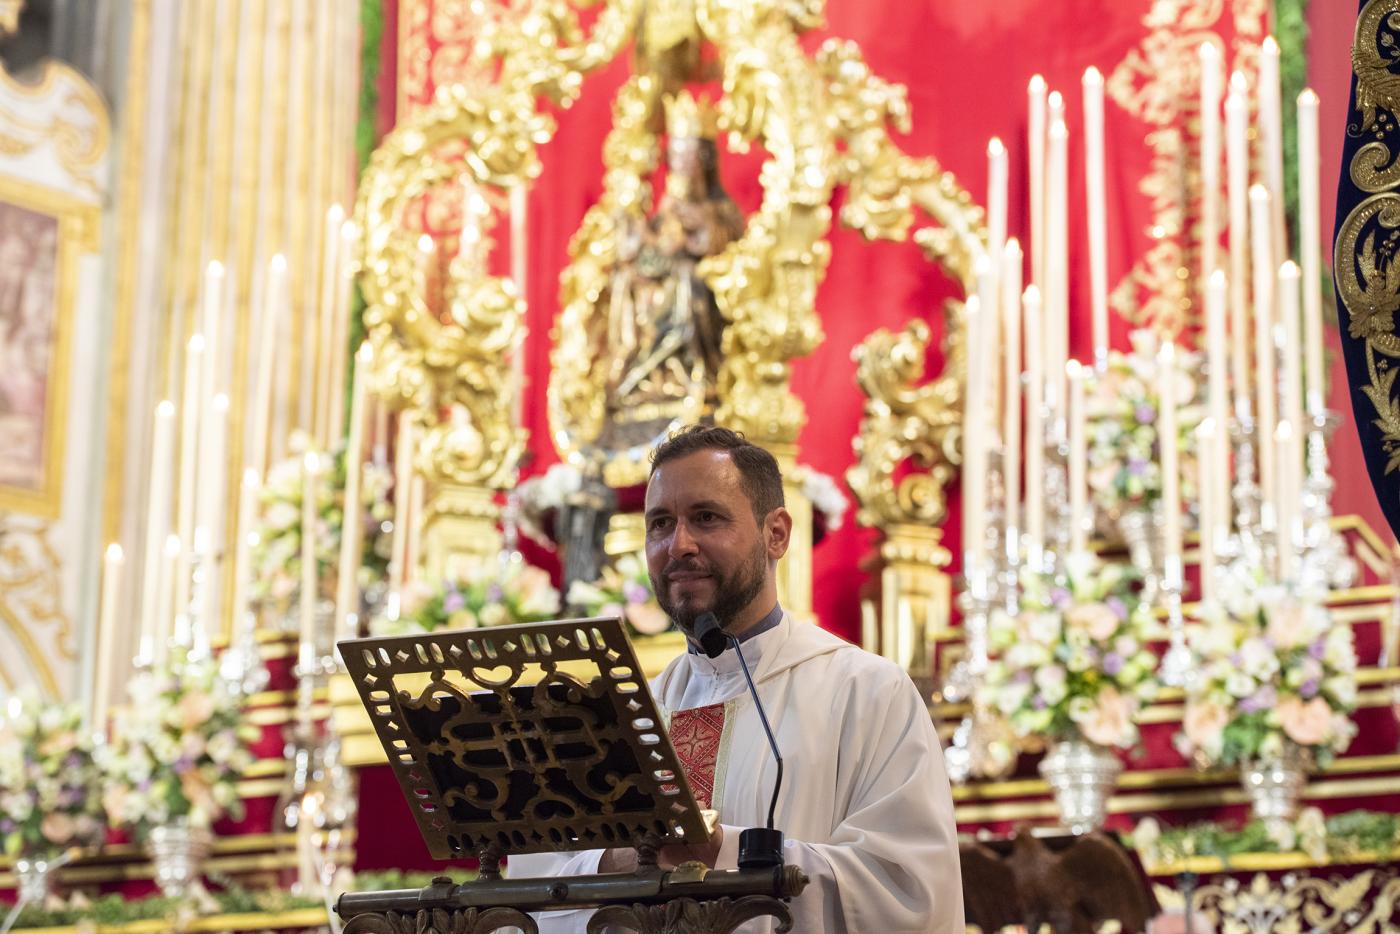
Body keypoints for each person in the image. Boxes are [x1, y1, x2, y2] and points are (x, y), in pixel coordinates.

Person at [508, 425, 965, 932]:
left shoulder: (868, 694)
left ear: (777, 534)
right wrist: (615, 864)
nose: (678, 545)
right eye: (660, 523)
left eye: (706, 518)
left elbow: (907, 892)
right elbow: (532, 891)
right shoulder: (624, 717)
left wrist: (723, 850)